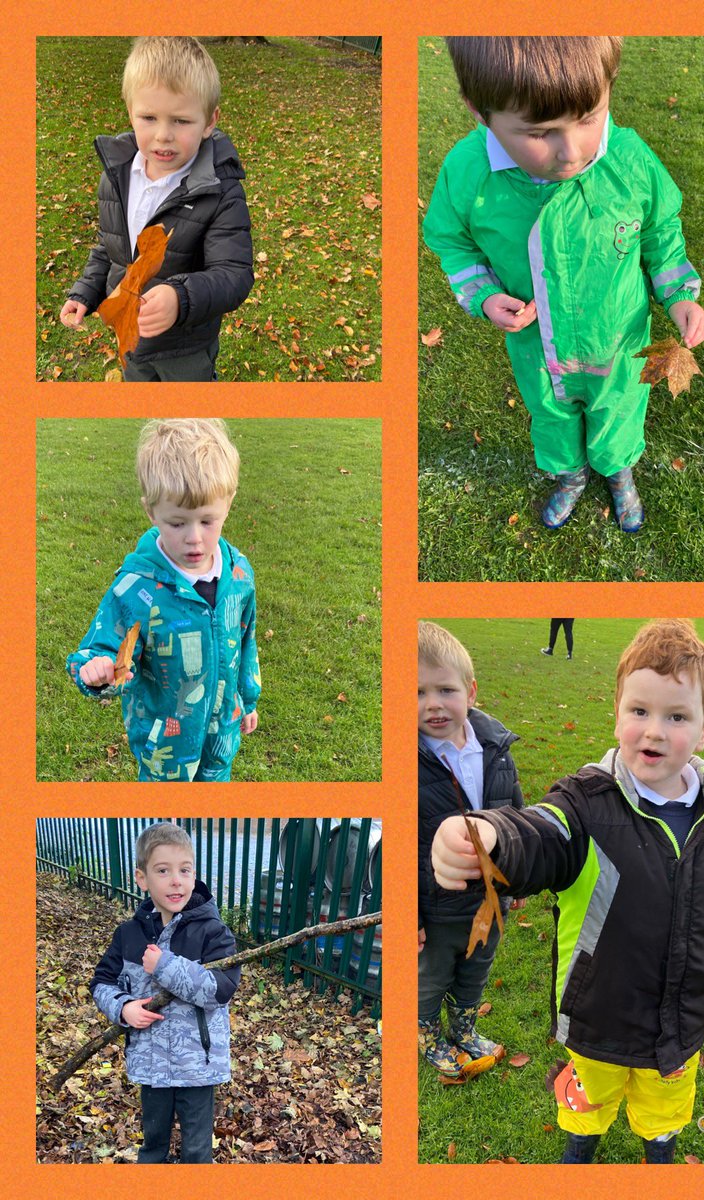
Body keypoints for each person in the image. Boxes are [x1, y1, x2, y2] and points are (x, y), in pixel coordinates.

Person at [432, 619, 704, 1163]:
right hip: (598, 1019)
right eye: (640, 711)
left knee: (663, 1121)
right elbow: (542, 833)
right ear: (617, 715)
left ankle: (659, 1154)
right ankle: (579, 1153)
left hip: (680, 1026)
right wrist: (492, 834)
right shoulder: (586, 803)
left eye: (676, 717)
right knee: (587, 1111)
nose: (654, 731)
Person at [423, 37, 704, 531]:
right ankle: (571, 476)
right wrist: (485, 297)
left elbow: (661, 230)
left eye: (589, 117)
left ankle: (619, 474)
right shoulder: (468, 174)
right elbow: (453, 243)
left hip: (618, 340)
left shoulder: (628, 160)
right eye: (541, 132)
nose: (572, 150)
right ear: (480, 112)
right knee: (552, 414)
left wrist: (679, 294)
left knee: (617, 410)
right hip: (538, 347)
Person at [66, 419, 260, 781]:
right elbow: (106, 647)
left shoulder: (239, 576)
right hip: (164, 752)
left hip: (221, 739)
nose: (194, 539)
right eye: (176, 523)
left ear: (228, 504)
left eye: (207, 520)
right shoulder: (136, 589)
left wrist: (246, 700)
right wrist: (96, 667)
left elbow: (246, 642)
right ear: (151, 512)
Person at [58, 36, 253, 381]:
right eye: (148, 117)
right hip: (131, 334)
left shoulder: (219, 192)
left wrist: (180, 298)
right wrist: (85, 292)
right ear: (129, 112)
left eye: (181, 121)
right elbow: (111, 246)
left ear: (209, 121)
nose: (163, 135)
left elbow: (234, 274)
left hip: (185, 347)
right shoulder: (117, 178)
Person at [90, 822, 240, 1163]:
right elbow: (101, 983)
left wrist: (165, 966)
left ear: (194, 873)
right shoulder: (129, 934)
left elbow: (221, 991)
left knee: (197, 1151)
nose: (177, 880)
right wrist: (123, 1008)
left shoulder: (213, 932)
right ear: (142, 879)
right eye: (163, 870)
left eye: (184, 870)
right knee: (153, 1146)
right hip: (152, 1064)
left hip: (197, 1066)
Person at [418, 620, 525, 1078]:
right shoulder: (408, 763)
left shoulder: (495, 750)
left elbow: (517, 819)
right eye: (417, 692)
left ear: (471, 692)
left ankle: (464, 1025)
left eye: (445, 689)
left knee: (477, 966)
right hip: (436, 905)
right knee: (433, 974)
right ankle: (426, 1033)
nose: (433, 704)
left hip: (491, 900)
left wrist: (519, 877)